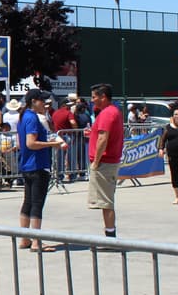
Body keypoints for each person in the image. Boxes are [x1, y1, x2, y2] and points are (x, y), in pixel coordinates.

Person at [18, 90, 69, 251]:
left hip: (27, 165)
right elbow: (31, 143)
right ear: (34, 101)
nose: (45, 105)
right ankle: (36, 241)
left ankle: (25, 238)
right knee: (36, 203)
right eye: (42, 101)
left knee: (28, 202)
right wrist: (52, 144)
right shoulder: (32, 118)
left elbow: (23, 144)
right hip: (37, 165)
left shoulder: (23, 117)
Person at [87, 83, 123, 241]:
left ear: (103, 97)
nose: (92, 100)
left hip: (105, 163)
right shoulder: (113, 112)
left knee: (106, 201)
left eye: (94, 96)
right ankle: (110, 234)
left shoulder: (107, 113)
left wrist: (96, 161)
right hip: (109, 161)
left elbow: (103, 137)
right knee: (105, 201)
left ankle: (110, 237)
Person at [50, 96, 79, 181]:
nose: (69, 107)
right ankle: (72, 174)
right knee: (71, 155)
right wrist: (76, 130)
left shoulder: (55, 113)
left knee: (60, 157)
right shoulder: (68, 113)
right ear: (63, 105)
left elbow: (52, 124)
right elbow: (72, 122)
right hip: (68, 136)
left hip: (58, 137)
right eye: (68, 105)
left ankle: (60, 175)